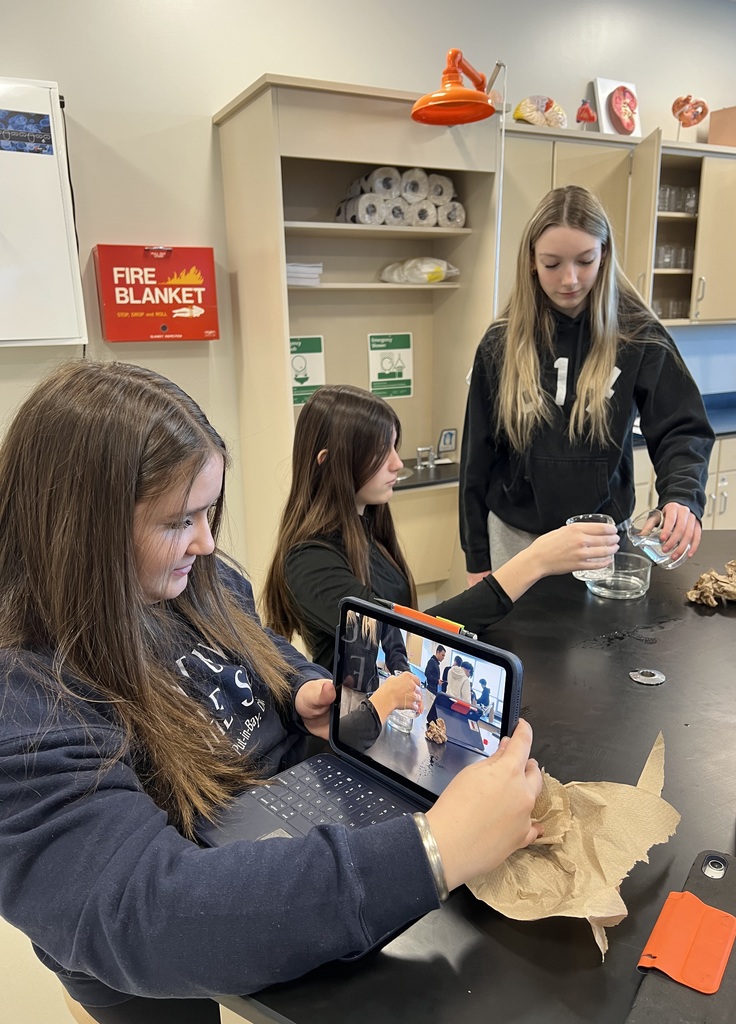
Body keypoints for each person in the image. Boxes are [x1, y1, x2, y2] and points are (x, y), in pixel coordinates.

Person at [0, 360, 544, 1024]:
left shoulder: (190, 578)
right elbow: (142, 912)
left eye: (209, 514)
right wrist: (433, 851)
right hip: (162, 960)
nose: (205, 541)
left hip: (280, 831)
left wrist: (301, 689)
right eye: (179, 521)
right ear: (80, 528)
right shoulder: (25, 697)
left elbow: (255, 647)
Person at [262, 383, 618, 686]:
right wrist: (534, 560)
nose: (397, 464)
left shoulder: (365, 526)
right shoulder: (309, 559)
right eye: (379, 452)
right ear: (328, 462)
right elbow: (402, 636)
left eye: (394, 448)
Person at [460, 184, 715, 584]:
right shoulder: (500, 343)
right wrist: (476, 560)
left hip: (601, 541)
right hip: (515, 542)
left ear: (605, 255)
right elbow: (477, 457)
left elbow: (682, 429)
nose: (570, 279)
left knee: (597, 646)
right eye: (552, 264)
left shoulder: (639, 337)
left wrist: (683, 495)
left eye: (585, 260)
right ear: (530, 261)